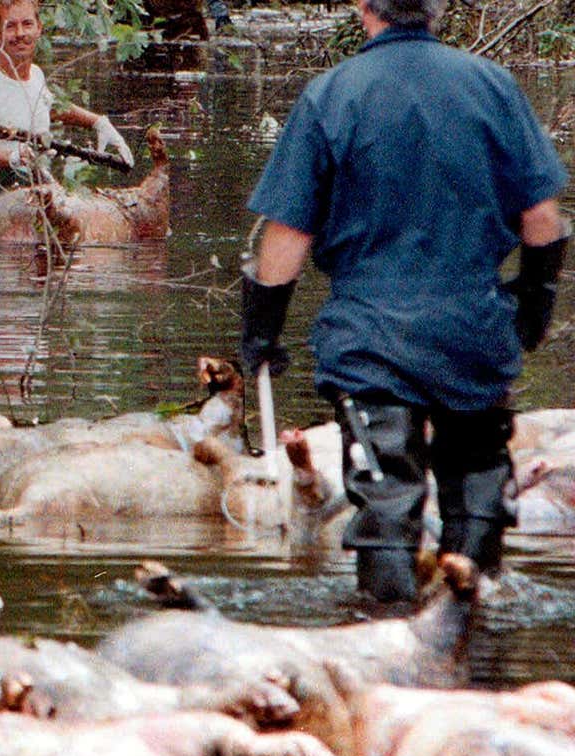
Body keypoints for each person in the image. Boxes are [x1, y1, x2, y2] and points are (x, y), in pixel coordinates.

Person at [239, 0, 568, 604]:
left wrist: (262, 330)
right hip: (472, 332)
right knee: (477, 497)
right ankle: (474, 642)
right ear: (437, 8)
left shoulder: (331, 95)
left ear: (364, 6)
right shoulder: (492, 85)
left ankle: (385, 648)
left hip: (370, 342)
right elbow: (543, 220)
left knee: (387, 505)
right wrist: (534, 303)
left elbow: (285, 239)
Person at [0, 0, 136, 209]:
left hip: (31, 191)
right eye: (10, 26)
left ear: (39, 29)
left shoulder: (35, 75)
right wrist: (12, 157)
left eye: (27, 24)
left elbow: (49, 106)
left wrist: (98, 123)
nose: (20, 33)